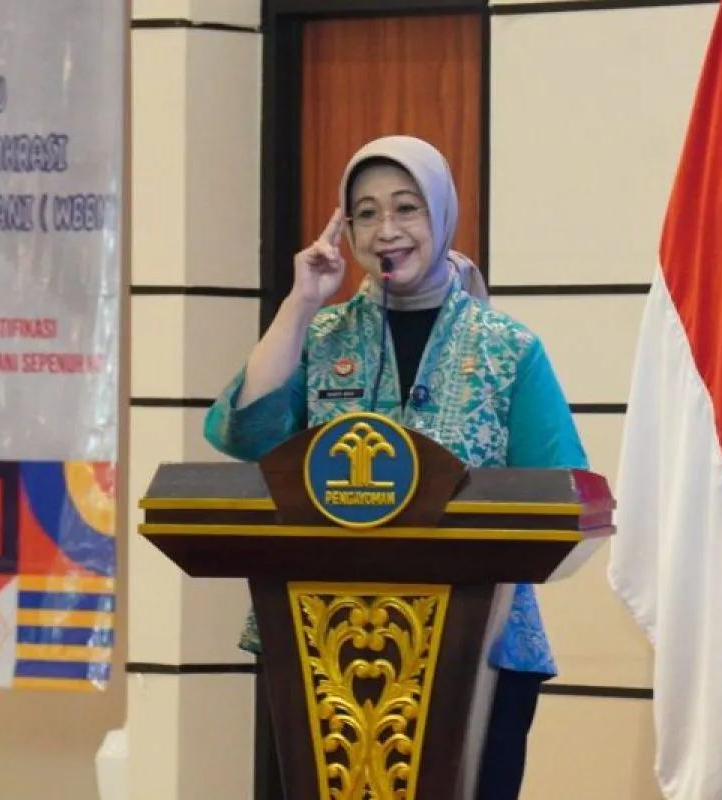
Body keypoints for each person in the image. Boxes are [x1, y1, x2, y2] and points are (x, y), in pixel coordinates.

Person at [202, 134, 589, 799]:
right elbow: (244, 432)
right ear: (345, 229)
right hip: (321, 651)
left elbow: (565, 498)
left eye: (407, 208)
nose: (386, 230)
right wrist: (301, 303)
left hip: (481, 649)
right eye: (366, 213)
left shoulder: (508, 348)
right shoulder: (320, 336)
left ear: (442, 214)